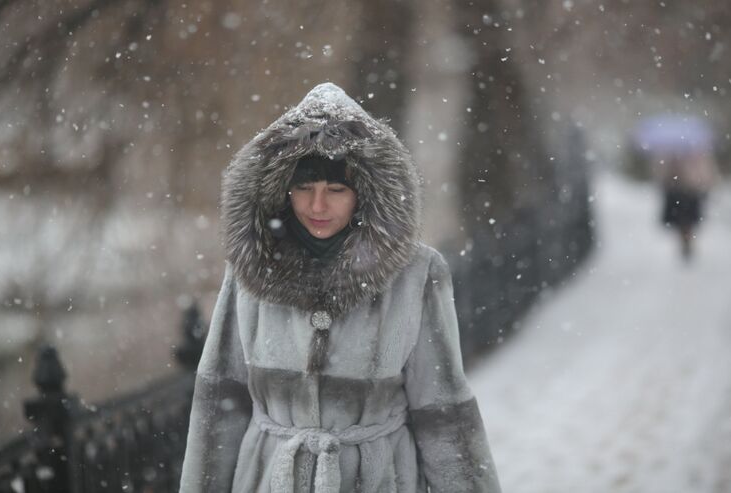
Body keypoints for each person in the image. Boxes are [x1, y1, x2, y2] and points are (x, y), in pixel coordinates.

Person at [179, 83, 501, 492]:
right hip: (269, 478)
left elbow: (442, 411)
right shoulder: (251, 268)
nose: (317, 207)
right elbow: (219, 402)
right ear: (282, 190)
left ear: (362, 193)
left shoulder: (415, 273)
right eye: (304, 189)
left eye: (335, 190)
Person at [655, 149, 719, 259]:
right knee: (685, 220)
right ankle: (685, 240)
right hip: (683, 191)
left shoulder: (695, 153)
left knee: (685, 220)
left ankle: (686, 241)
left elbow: (705, 171)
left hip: (688, 191)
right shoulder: (675, 152)